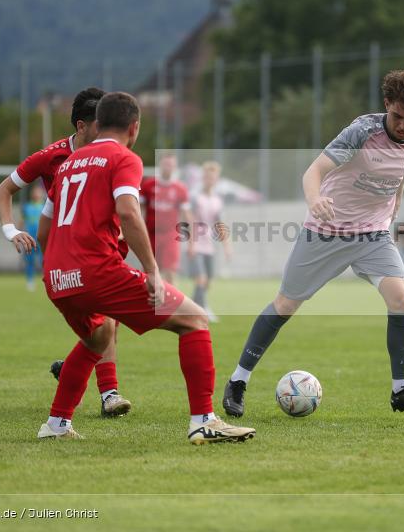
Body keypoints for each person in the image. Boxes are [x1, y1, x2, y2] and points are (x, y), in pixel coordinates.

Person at [36, 91, 255, 444]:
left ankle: (56, 425)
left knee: (98, 337)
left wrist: (58, 269)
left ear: (96, 124)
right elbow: (128, 210)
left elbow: (45, 229)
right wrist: (152, 269)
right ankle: (204, 420)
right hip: (97, 272)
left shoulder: (67, 164)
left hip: (58, 277)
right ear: (134, 127)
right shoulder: (124, 158)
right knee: (194, 319)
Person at [223, 69, 404, 418]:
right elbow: (313, 172)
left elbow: (401, 171)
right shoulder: (361, 132)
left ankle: (402, 390)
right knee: (285, 305)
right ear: (387, 104)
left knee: (402, 299)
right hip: (326, 230)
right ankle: (238, 381)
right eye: (397, 116)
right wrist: (314, 201)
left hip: (372, 235)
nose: (403, 126)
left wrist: (396, 201)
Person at [0, 87, 131, 418]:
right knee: (106, 320)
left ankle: (75, 373)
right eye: (101, 126)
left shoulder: (110, 155)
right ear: (82, 126)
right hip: (66, 257)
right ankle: (108, 393)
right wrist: (11, 230)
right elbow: (4, 190)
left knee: (103, 326)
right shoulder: (51, 157)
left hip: (103, 248)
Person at [140, 153, 192, 285]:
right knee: (149, 271)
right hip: (150, 235)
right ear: (160, 165)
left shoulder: (180, 189)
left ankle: (172, 304)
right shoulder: (148, 185)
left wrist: (192, 243)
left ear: (175, 167)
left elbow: (187, 215)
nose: (168, 167)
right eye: (166, 164)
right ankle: (146, 303)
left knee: (170, 271)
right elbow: (139, 210)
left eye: (171, 165)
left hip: (170, 235)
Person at [188, 161, 231, 321]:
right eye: (207, 177)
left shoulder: (217, 200)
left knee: (208, 281)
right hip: (196, 244)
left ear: (216, 179)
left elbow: (220, 224)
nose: (209, 180)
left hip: (209, 245)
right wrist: (191, 245)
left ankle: (192, 307)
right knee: (201, 279)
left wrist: (227, 247)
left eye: (213, 177)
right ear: (203, 178)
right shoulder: (195, 197)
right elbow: (190, 221)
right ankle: (202, 309)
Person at [22, 184, 46, 291]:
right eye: (35, 192)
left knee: (44, 261)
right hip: (29, 239)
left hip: (41, 239)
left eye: (39, 192)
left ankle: (47, 281)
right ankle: (30, 282)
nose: (37, 194)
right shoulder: (27, 207)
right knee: (30, 260)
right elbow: (22, 222)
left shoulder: (46, 207)